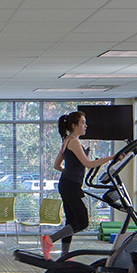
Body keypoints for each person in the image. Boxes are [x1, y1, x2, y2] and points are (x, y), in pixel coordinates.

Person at [40, 111, 123, 260]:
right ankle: (50, 240)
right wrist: (112, 157)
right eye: (83, 123)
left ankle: (64, 255)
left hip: (66, 183)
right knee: (83, 222)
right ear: (74, 125)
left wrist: (70, 172)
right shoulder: (73, 141)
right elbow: (88, 164)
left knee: (71, 221)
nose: (86, 125)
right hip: (71, 185)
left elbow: (56, 165)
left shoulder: (66, 141)